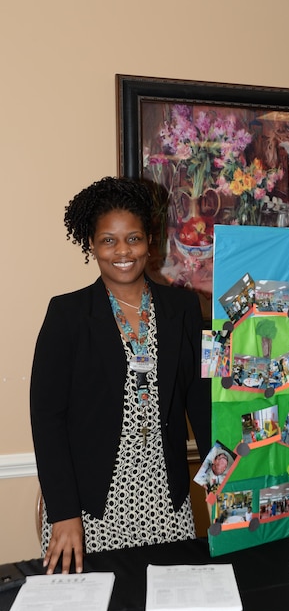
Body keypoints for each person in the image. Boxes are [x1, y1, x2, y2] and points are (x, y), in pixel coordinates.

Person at [30, 176, 211, 575]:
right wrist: (64, 513)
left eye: (133, 238)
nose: (122, 251)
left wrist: (223, 483)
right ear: (91, 245)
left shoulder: (183, 307)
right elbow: (47, 419)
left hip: (166, 497)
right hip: (90, 504)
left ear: (150, 241)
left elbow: (202, 399)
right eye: (108, 240)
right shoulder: (68, 315)